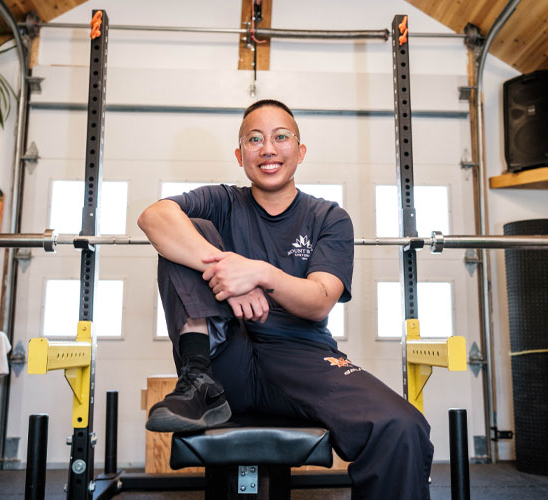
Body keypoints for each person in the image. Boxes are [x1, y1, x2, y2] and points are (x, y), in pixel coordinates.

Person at [137, 99, 433, 499]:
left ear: (300, 150)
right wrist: (229, 270)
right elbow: (153, 217)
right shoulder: (223, 201)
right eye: (255, 140)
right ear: (241, 155)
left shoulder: (328, 217)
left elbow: (319, 300)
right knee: (184, 229)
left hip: (302, 356)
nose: (269, 149)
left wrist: (259, 273)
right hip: (225, 359)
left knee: (402, 426)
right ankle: (197, 382)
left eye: (281, 137)